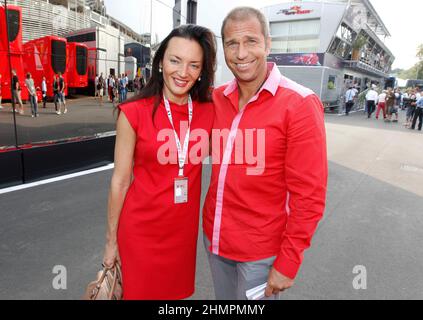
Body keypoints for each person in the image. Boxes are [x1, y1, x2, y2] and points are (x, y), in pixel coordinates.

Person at [202, 7, 328, 300]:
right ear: (224, 48)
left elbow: (309, 195)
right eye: (232, 44)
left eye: (251, 41)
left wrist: (289, 261)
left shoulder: (300, 104)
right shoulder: (217, 98)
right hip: (215, 240)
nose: (241, 53)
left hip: (260, 253)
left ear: (267, 44)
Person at [102, 24, 217, 300]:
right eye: (175, 60)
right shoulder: (132, 113)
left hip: (181, 238)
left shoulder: (211, 111)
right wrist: (110, 243)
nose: (182, 72)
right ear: (161, 62)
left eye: (193, 65)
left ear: (202, 71)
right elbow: (119, 181)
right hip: (139, 233)